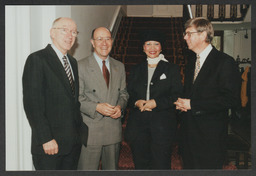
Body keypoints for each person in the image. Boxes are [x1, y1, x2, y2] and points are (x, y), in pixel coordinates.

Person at [174, 17, 241, 169]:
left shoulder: (225, 62)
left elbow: (231, 99)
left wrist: (192, 104)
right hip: (189, 137)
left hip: (209, 140)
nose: (185, 37)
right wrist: (183, 104)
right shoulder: (192, 62)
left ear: (203, 35)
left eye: (188, 33)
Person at [22, 17, 88, 170]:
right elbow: (32, 104)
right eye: (64, 30)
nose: (70, 35)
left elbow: (72, 101)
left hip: (73, 145)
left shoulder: (73, 62)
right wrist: (46, 138)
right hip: (50, 146)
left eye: (74, 32)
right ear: (52, 33)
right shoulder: (37, 59)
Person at [125, 30, 183, 169]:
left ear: (161, 47)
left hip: (162, 126)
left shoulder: (172, 69)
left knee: (161, 165)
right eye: (148, 44)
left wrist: (156, 102)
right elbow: (128, 93)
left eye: (156, 44)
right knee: (141, 164)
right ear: (143, 47)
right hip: (138, 126)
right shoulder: (136, 69)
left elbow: (176, 95)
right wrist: (136, 102)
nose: (152, 48)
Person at [77, 27, 129, 170]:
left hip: (113, 129)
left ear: (112, 41)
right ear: (92, 43)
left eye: (107, 39)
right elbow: (77, 98)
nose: (104, 43)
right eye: (99, 39)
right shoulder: (80, 66)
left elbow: (124, 93)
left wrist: (120, 107)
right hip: (91, 131)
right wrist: (96, 107)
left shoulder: (119, 66)